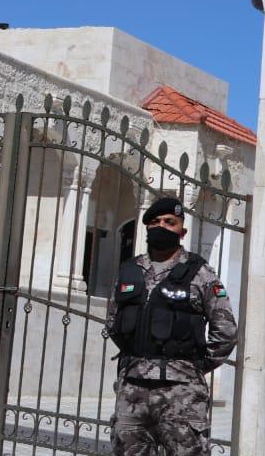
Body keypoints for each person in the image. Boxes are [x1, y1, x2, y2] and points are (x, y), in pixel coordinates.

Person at [106, 195, 239, 456]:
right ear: (147, 227)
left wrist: (194, 366)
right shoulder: (130, 270)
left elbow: (225, 331)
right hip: (132, 389)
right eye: (155, 221)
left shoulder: (201, 273)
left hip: (182, 392)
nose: (162, 226)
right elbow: (113, 322)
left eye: (170, 222)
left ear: (182, 231)